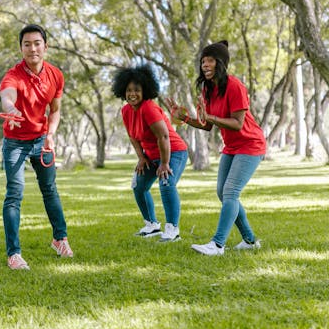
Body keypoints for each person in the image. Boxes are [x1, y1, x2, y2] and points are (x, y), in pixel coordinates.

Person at [167, 40, 266, 256]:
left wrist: (210, 116)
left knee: (230, 191)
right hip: (231, 147)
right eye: (203, 61)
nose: (205, 65)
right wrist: (183, 118)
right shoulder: (208, 89)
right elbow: (207, 124)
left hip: (251, 144)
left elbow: (237, 123)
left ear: (220, 63)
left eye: (210, 60)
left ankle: (217, 245)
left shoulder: (235, 86)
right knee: (223, 193)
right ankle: (249, 240)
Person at [0, 24, 72, 270]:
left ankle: (59, 239)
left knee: (50, 190)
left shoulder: (55, 75)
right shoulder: (13, 75)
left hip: (41, 140)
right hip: (15, 143)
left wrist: (50, 135)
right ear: (21, 48)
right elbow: (7, 95)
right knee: (14, 195)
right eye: (27, 44)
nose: (32, 48)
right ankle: (14, 254)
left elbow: (56, 109)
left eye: (37, 43)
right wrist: (11, 109)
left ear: (45, 46)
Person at [112, 64, 188, 242]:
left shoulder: (149, 108)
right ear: (123, 91)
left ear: (145, 90)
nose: (132, 94)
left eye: (137, 90)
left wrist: (164, 163)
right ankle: (152, 225)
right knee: (138, 185)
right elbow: (133, 137)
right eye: (129, 90)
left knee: (166, 182)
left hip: (174, 151)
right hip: (151, 155)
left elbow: (163, 136)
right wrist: (141, 157)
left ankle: (172, 229)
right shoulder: (126, 111)